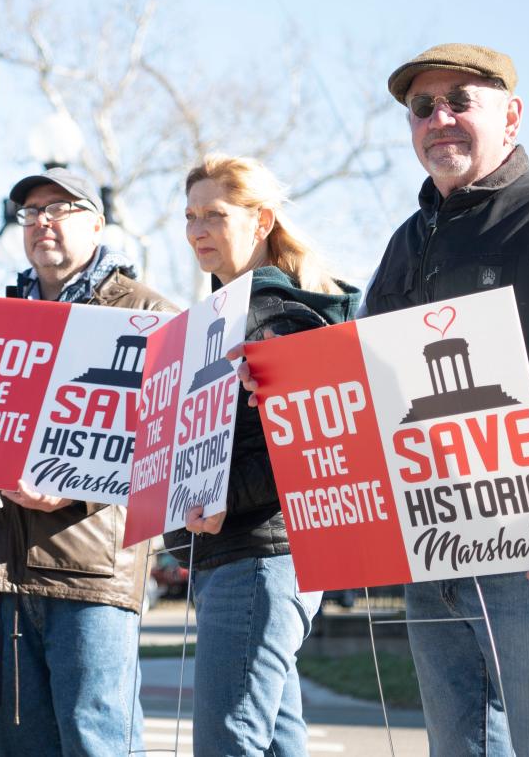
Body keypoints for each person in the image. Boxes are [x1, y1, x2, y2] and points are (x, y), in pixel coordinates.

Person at [362, 43, 529, 755]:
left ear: (510, 116)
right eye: (422, 107)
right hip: (432, 552)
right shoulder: (401, 246)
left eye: (461, 101)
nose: (439, 118)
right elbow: (365, 391)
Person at [0, 168, 178, 757]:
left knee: (98, 743)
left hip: (91, 572)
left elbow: (166, 440)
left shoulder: (147, 313)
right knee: (21, 748)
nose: (42, 222)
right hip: (6, 571)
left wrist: (76, 492)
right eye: (31, 212)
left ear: (97, 222)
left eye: (60, 208)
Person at [164, 155, 359, 757]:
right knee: (274, 742)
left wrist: (222, 494)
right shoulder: (212, 321)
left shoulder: (278, 318)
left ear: (261, 221)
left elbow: (311, 448)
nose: (197, 230)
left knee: (229, 741)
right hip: (242, 557)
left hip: (265, 556)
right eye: (190, 216)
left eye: (215, 216)